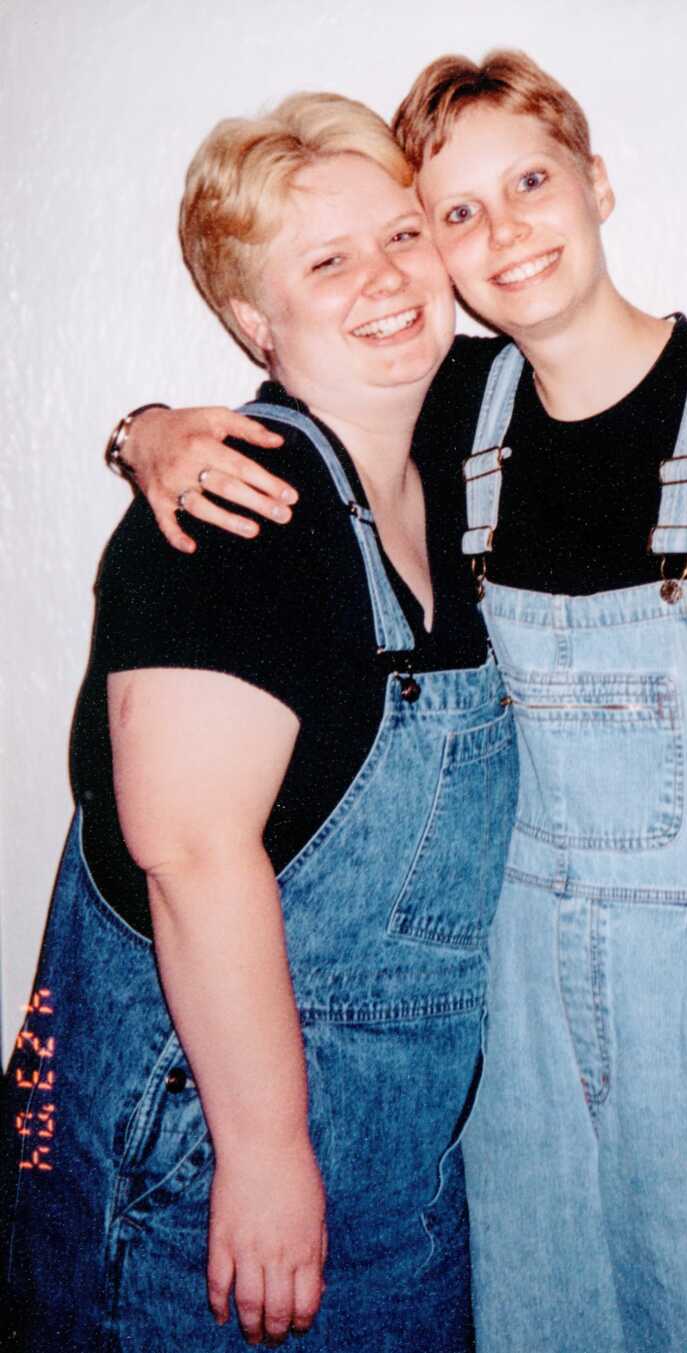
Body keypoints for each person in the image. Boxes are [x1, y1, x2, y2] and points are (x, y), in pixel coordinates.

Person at [109, 51, 687, 1351]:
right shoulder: (448, 410)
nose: (503, 230)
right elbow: (276, 419)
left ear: (596, 179)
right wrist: (149, 429)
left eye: (530, 180)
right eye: (457, 211)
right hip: (508, 1048)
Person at [2, 91, 519, 1351]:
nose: (387, 281)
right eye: (326, 262)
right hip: (201, 1167)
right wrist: (269, 1156)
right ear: (253, 320)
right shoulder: (235, 511)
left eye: (402, 236)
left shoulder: (455, 449)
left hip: (397, 1171)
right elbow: (188, 856)